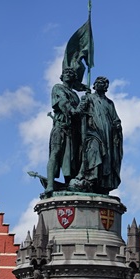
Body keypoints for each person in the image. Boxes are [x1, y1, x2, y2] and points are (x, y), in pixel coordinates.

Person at [72, 76, 123, 194]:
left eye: (105, 83)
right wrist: (82, 105)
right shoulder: (89, 98)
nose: (102, 84)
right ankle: (90, 177)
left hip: (107, 134)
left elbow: (115, 118)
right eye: (100, 82)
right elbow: (78, 113)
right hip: (92, 131)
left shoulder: (109, 103)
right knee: (93, 150)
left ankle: (102, 183)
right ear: (94, 85)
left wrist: (117, 125)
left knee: (107, 158)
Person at [45, 67, 86, 195]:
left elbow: (80, 114)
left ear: (74, 78)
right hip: (60, 125)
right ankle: (50, 185)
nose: (68, 74)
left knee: (72, 158)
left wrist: (85, 102)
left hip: (73, 129)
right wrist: (74, 111)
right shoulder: (58, 88)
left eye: (71, 73)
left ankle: (69, 183)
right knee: (56, 152)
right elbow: (63, 102)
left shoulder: (75, 96)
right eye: (65, 73)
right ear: (62, 76)